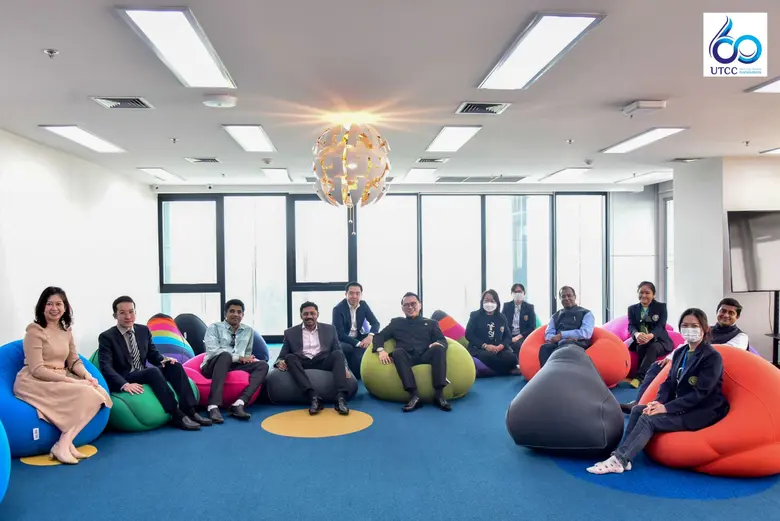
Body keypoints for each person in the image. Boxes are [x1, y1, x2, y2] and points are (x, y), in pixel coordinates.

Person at [587, 308, 729, 474]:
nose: (689, 329)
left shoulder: (712, 357)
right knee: (638, 410)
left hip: (699, 412)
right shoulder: (681, 352)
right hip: (681, 405)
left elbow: (700, 394)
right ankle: (622, 453)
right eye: (685, 325)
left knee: (649, 419)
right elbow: (668, 383)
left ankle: (620, 460)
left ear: (704, 329)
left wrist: (666, 408)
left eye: (694, 326)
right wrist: (658, 402)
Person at [13, 287, 112, 464]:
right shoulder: (34, 331)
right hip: (35, 380)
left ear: (65, 307)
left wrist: (87, 376)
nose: (54, 308)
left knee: (100, 392)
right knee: (86, 393)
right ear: (42, 307)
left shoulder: (66, 331)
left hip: (59, 376)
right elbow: (37, 369)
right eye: (49, 304)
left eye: (58, 304)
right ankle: (64, 444)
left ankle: (65, 442)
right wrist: (72, 382)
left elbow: (74, 361)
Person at [98, 296, 209, 431]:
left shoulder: (143, 330)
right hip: (126, 375)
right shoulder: (107, 337)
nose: (128, 316)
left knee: (175, 366)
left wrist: (163, 359)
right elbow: (106, 366)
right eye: (122, 313)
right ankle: (176, 414)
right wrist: (124, 384)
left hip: (142, 371)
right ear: (115, 315)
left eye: (131, 311)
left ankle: (191, 410)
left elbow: (152, 354)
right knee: (152, 371)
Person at [620, 297, 750, 412]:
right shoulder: (707, 328)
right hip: (691, 361)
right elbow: (686, 344)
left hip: (710, 368)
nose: (725, 315)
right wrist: (670, 358)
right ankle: (640, 402)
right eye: (723, 311)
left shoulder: (740, 336)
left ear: (737, 317)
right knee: (656, 366)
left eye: (731, 313)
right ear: (717, 312)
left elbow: (726, 352)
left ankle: (665, 405)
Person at [372, 292, 451, 412]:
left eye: (413, 304)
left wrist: (438, 343)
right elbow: (379, 336)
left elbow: (442, 340)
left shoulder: (431, 323)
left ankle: (439, 395)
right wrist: (381, 350)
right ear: (402, 308)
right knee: (397, 352)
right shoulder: (396, 323)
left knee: (439, 348)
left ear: (420, 305)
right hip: (406, 357)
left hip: (425, 355)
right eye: (406, 305)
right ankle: (414, 396)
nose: (410, 307)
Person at [275, 302, 350, 416]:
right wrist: (279, 362)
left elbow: (338, 349)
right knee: (289, 357)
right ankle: (313, 397)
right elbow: (281, 356)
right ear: (301, 315)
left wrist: (345, 367)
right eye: (305, 314)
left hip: (323, 360)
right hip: (302, 362)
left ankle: (340, 399)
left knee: (338, 354)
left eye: (312, 313)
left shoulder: (330, 329)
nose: (309, 316)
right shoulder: (290, 332)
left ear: (317, 314)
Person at [202, 299, 269, 423]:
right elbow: (212, 352)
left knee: (263, 365)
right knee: (225, 356)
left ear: (242, 315)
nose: (236, 314)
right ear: (225, 314)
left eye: (239, 312)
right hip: (213, 366)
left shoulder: (248, 331)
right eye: (232, 311)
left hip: (235, 366)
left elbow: (247, 353)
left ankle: (239, 403)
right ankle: (213, 406)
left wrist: (249, 359)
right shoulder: (214, 328)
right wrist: (238, 358)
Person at [626, 282, 673, 388]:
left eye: (647, 293)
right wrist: (637, 334)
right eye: (641, 292)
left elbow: (661, 326)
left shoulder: (661, 307)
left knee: (653, 347)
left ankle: (639, 378)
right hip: (641, 339)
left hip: (659, 341)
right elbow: (631, 326)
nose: (644, 295)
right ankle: (645, 379)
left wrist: (651, 335)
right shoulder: (632, 309)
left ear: (653, 294)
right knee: (640, 347)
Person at [332, 282, 380, 379]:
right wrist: (359, 343)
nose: (354, 296)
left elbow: (375, 323)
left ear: (361, 295)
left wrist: (370, 336)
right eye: (351, 293)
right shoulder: (338, 309)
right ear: (346, 294)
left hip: (358, 337)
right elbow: (339, 334)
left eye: (357, 293)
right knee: (347, 349)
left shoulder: (363, 305)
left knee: (360, 362)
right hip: (344, 340)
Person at [466, 289, 518, 375]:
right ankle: (506, 370)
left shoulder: (501, 317)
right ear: (482, 302)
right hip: (480, 348)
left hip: (498, 348)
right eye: (486, 300)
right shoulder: (475, 315)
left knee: (512, 358)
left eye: (492, 301)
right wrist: (485, 346)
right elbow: (469, 334)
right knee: (489, 356)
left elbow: (508, 337)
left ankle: (495, 371)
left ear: (497, 303)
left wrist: (501, 346)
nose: (489, 303)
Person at [539, 286, 595, 367]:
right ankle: (547, 373)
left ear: (574, 297)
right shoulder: (555, 316)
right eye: (563, 296)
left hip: (578, 344)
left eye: (569, 295)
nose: (566, 298)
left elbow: (586, 333)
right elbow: (548, 334)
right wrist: (554, 338)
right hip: (559, 343)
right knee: (545, 348)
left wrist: (562, 335)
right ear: (560, 299)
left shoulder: (586, 313)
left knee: (565, 343)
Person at [501, 283, 537, 351]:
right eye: (515, 292)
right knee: (504, 346)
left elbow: (532, 327)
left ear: (524, 293)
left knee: (517, 346)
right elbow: (501, 322)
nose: (517, 294)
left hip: (522, 336)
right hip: (508, 335)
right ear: (511, 293)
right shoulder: (506, 306)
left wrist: (519, 336)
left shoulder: (529, 307)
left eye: (520, 291)